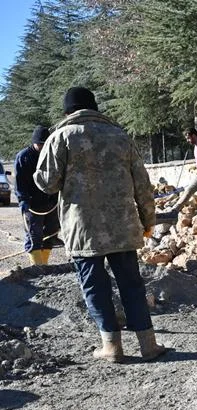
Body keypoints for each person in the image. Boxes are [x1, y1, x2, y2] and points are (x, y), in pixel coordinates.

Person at [34, 86, 165, 363]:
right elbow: (143, 184)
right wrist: (148, 220)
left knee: (94, 286)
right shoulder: (120, 136)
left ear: (67, 111)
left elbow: (47, 184)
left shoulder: (60, 137)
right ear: (94, 108)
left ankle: (111, 347)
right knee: (132, 284)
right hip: (123, 227)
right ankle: (148, 345)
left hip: (83, 230)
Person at [14, 125, 61, 265]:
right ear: (34, 142)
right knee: (34, 235)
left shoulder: (52, 155)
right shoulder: (23, 157)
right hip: (32, 204)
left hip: (51, 202)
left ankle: (44, 265)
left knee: (51, 234)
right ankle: (37, 267)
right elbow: (19, 182)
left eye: (45, 144)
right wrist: (23, 201)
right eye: (40, 144)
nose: (42, 147)